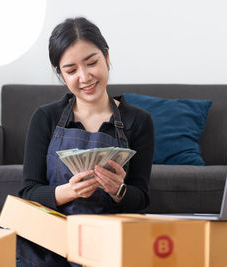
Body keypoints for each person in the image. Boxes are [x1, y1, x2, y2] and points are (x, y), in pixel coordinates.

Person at [16, 17, 155, 267]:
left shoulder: (139, 121)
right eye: (71, 70)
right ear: (61, 75)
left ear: (107, 57)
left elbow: (141, 197)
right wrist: (69, 192)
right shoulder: (45, 117)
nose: (85, 77)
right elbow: (28, 192)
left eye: (92, 63)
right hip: (52, 240)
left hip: (108, 241)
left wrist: (118, 191)